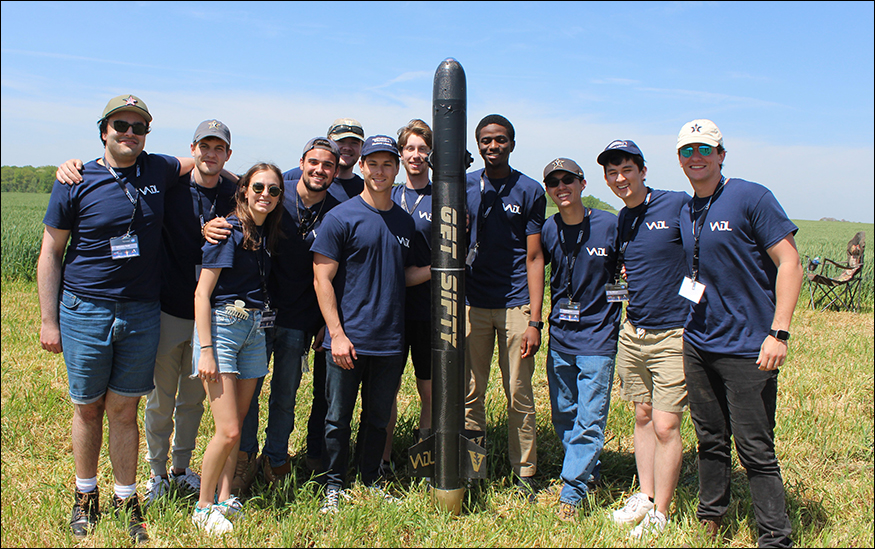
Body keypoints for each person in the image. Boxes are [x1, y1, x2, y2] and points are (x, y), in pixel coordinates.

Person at [38, 94, 192, 543]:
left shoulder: (158, 168)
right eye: (121, 125)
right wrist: (50, 321)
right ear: (104, 130)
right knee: (88, 408)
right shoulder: (75, 179)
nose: (130, 133)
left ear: (147, 135)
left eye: (139, 127)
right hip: (85, 308)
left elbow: (203, 160)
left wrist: (264, 183)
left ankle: (127, 498)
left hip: (142, 310)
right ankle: (85, 494)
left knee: (124, 409)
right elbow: (51, 252)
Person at [675, 119, 802, 548]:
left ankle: (775, 537)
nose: (697, 157)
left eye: (705, 150)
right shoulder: (686, 208)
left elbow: (790, 262)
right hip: (699, 343)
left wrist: (778, 334)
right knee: (710, 439)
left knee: (756, 450)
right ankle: (712, 517)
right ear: (679, 159)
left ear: (721, 155)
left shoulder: (751, 197)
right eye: (688, 151)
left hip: (750, 348)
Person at [311, 135, 422, 514]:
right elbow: (321, 278)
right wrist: (336, 335)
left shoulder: (405, 222)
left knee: (378, 419)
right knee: (336, 418)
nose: (379, 170)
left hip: (390, 339)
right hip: (347, 341)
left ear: (397, 169)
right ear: (361, 167)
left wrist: (446, 268)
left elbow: (402, 274)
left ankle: (371, 479)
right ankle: (333, 485)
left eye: (387, 164)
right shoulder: (341, 217)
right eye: (372, 163)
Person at [596, 140, 690, 537]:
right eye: (612, 173)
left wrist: (693, 301)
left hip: (674, 333)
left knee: (667, 425)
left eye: (627, 170)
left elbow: (703, 252)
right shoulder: (623, 219)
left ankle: (661, 513)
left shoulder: (676, 204)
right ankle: (646, 496)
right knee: (642, 415)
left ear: (643, 171)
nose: (620, 179)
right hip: (634, 332)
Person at [236, 138, 341, 488]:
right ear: (302, 162)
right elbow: (237, 207)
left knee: (285, 393)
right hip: (258, 314)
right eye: (314, 162)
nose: (319, 170)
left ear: (335, 171)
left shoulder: (337, 210)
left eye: (328, 165)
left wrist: (328, 323)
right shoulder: (277, 194)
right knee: (248, 393)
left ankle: (276, 458)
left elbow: (339, 271)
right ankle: (244, 457)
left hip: (299, 321)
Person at [143, 120, 237, 506]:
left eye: (219, 148)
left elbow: (250, 183)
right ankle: (156, 473)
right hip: (168, 308)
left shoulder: (235, 193)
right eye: (204, 147)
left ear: (228, 154)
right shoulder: (171, 187)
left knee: (193, 402)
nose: (210, 154)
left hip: (210, 317)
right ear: (193, 148)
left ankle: (181, 470)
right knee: (160, 399)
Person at [191, 163, 285, 534]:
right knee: (228, 430)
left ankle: (226, 497)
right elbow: (201, 293)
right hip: (223, 330)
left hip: (255, 332)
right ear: (244, 189)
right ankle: (202, 506)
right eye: (258, 187)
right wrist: (207, 350)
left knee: (240, 423)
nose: (265, 194)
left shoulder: (263, 235)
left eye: (274, 190)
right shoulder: (228, 231)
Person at [463, 114, 546, 499]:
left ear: (512, 143)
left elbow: (534, 257)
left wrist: (535, 319)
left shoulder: (529, 190)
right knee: (469, 392)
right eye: (485, 141)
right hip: (472, 303)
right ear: (477, 145)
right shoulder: (463, 186)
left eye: (499, 140)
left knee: (518, 392)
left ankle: (525, 473)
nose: (492, 147)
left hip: (514, 304)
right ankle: (472, 469)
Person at [538, 158, 621, 521]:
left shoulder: (610, 225)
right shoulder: (547, 229)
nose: (561, 187)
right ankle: (592, 473)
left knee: (589, 418)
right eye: (554, 182)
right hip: (561, 336)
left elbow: (625, 271)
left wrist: (620, 316)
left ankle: (571, 492)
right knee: (565, 415)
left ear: (583, 184)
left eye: (567, 179)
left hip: (598, 337)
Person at [384, 119, 434, 474]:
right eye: (410, 148)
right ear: (401, 154)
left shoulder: (445, 195)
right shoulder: (389, 195)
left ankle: (424, 456)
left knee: (428, 388)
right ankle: (382, 459)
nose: (416, 155)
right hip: (391, 309)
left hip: (429, 308)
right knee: (386, 388)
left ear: (431, 153)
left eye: (422, 148)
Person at [284, 118, 365, 202]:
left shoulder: (364, 190)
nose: (347, 148)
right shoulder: (297, 176)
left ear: (362, 148)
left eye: (354, 143)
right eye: (341, 141)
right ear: (328, 142)